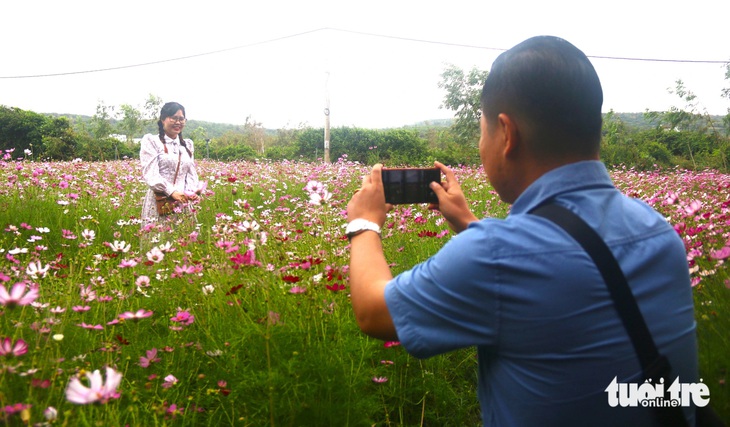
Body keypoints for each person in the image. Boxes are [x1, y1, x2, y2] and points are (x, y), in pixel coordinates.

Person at [346, 36, 698, 426]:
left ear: (507, 134)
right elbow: (561, 267)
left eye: (481, 133)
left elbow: (374, 313)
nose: (481, 146)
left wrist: (364, 222)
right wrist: (467, 222)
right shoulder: (660, 232)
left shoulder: (495, 256)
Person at [140, 101, 201, 225]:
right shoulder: (151, 141)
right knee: (158, 238)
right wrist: (172, 192)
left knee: (183, 240)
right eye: (174, 118)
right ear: (163, 119)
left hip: (183, 202)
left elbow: (190, 173)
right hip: (160, 201)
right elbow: (151, 174)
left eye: (181, 119)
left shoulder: (187, 145)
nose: (178, 122)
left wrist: (192, 192)